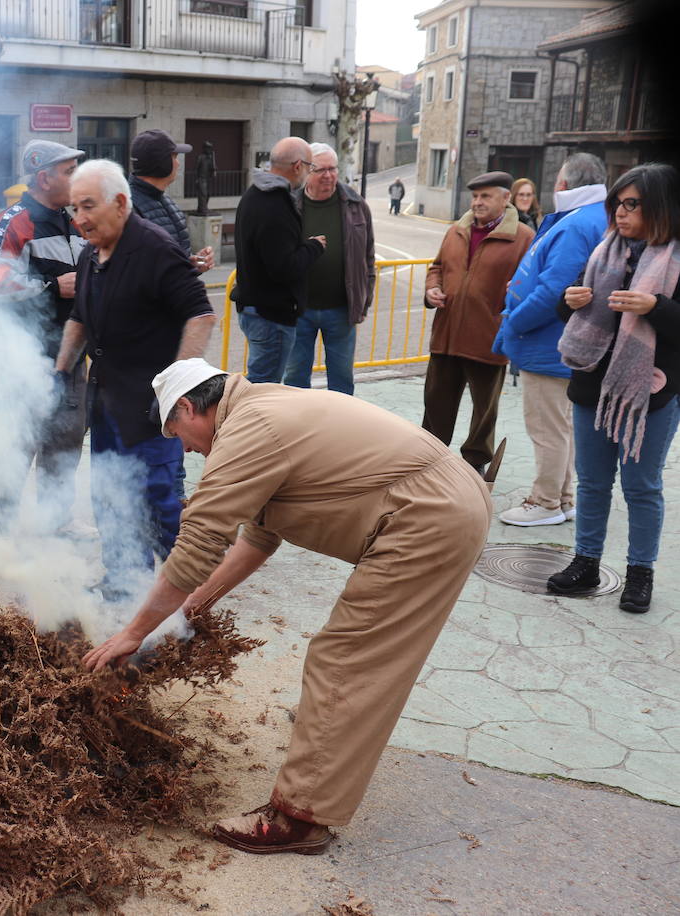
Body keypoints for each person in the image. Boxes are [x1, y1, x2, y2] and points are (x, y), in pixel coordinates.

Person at [84, 358, 490, 855]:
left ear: (189, 407)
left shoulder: (249, 429)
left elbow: (199, 543)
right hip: (443, 501)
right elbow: (259, 535)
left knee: (348, 659)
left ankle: (300, 818)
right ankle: (331, 732)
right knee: (354, 662)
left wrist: (134, 633)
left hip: (427, 517)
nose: (185, 449)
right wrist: (187, 610)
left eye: (178, 434)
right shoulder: (259, 409)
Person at [52, 160, 215, 600]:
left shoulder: (155, 249)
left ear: (121, 202)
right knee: (109, 497)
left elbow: (201, 315)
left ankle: (191, 595)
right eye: (73, 209)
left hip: (152, 409)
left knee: (159, 502)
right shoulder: (90, 254)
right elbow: (79, 318)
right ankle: (125, 583)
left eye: (88, 206)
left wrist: (176, 388)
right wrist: (59, 372)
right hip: (106, 403)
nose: (79, 218)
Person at [547, 162, 680, 615]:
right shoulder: (605, 252)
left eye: (630, 205)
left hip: (649, 393)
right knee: (593, 483)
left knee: (642, 486)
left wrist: (656, 306)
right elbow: (579, 314)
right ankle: (585, 563)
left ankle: (640, 574)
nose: (619, 214)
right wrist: (570, 302)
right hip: (592, 384)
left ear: (660, 206)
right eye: (616, 205)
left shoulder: (677, 258)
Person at [493, 152, 609, 527]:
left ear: (564, 183)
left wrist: (513, 321)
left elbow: (553, 290)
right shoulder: (592, 217)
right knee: (562, 425)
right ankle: (563, 497)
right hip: (564, 341)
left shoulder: (576, 224)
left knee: (547, 428)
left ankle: (544, 502)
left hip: (547, 343)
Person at [0, 140, 89, 536]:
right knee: (17, 442)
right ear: (44, 177)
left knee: (65, 439)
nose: (76, 178)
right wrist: (49, 287)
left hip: (72, 353)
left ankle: (55, 521)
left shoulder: (75, 219)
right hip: (23, 357)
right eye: (68, 171)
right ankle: (0, 527)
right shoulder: (11, 221)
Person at [422, 171, 534, 476]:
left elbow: (529, 284)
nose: (477, 202)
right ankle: (429, 458)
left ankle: (474, 464)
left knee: (485, 411)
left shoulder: (523, 237)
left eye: (485, 196)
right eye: (474, 196)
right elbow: (437, 267)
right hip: (446, 334)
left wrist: (511, 303)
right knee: (435, 403)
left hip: (489, 336)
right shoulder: (456, 230)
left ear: (505, 198)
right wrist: (432, 288)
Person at [282, 143, 375, 396]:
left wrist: (364, 302)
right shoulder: (289, 205)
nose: (328, 175)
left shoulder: (356, 205)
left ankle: (339, 431)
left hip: (341, 310)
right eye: (321, 169)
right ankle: (297, 429)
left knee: (342, 378)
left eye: (333, 169)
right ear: (307, 171)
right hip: (299, 310)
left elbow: (368, 257)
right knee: (295, 378)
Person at [232, 137, 327, 383]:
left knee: (260, 384)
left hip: (256, 309)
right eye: (311, 167)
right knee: (263, 392)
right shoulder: (275, 204)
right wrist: (314, 247)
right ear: (298, 166)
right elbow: (284, 267)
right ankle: (248, 423)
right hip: (270, 316)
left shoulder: (254, 194)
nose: (309, 173)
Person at [128, 129, 214, 273]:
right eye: (174, 157)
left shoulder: (165, 201)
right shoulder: (128, 209)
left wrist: (192, 264)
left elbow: (170, 264)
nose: (178, 164)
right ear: (162, 163)